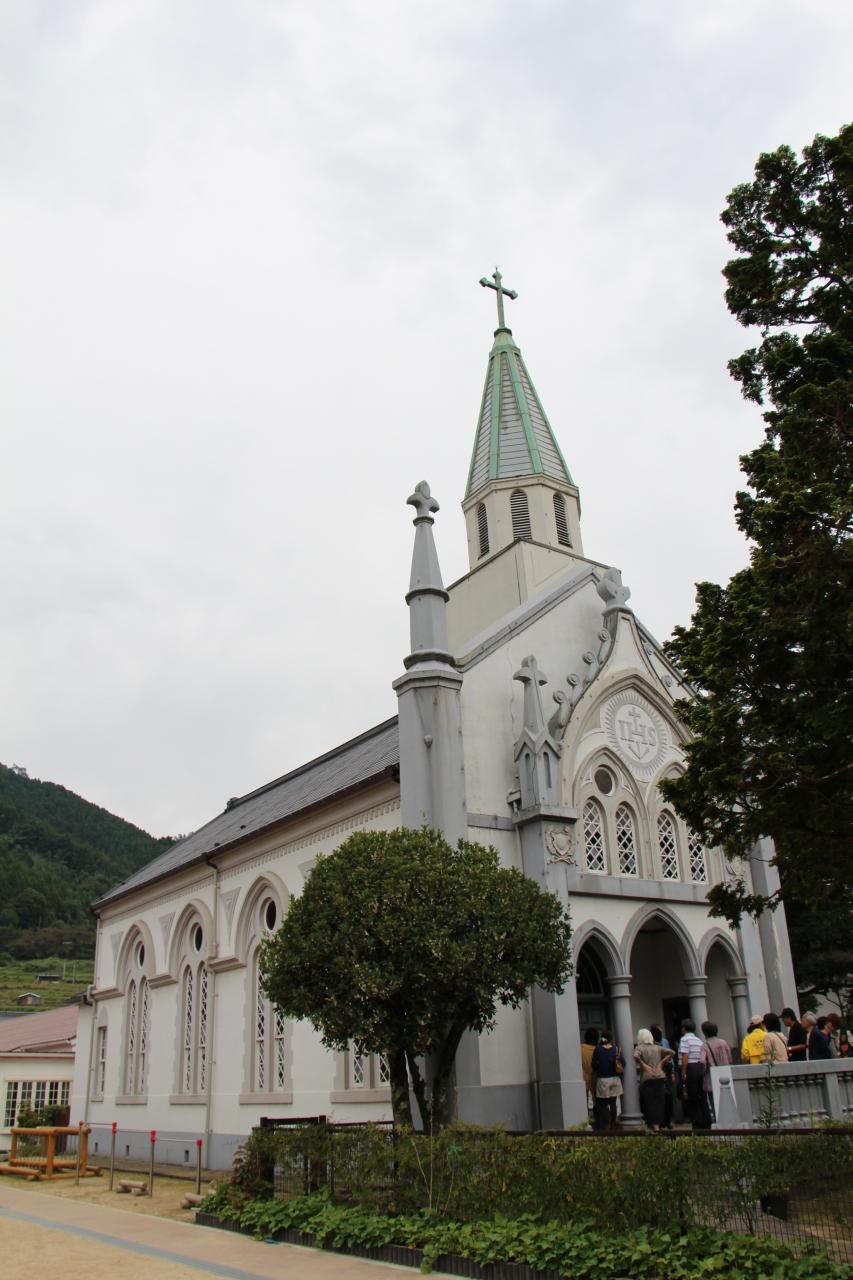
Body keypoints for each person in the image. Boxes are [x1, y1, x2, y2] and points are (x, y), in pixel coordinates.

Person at [634, 1028, 673, 1131]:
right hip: (660, 1077)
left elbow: (635, 1056)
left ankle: (653, 1126)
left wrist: (643, 1065)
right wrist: (661, 1063)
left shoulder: (639, 1048)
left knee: (649, 1102)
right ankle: (658, 1125)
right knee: (659, 1102)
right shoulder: (657, 1047)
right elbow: (672, 1052)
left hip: (647, 1078)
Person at [591, 1029, 625, 1132]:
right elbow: (623, 1063)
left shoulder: (598, 1049)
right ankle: (613, 1125)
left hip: (603, 1080)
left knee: (602, 1104)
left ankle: (606, 1124)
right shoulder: (616, 1049)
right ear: (611, 1039)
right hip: (615, 1079)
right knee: (613, 1103)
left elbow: (594, 1064)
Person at [678, 1018, 709, 1129]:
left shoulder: (684, 1039)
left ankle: (697, 1123)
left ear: (684, 1028)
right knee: (701, 1096)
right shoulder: (698, 1040)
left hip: (690, 1068)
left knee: (692, 1096)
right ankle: (706, 1121)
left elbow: (685, 1055)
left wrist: (683, 1072)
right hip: (699, 1068)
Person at [699, 1020, 732, 1121]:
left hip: (712, 1078)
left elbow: (702, 1061)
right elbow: (730, 1059)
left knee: (714, 1102)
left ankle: (718, 1120)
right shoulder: (723, 1042)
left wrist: (703, 1071)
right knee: (728, 1099)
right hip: (726, 1075)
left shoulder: (705, 1046)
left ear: (704, 1032)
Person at [651, 1024, 674, 1128]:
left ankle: (667, 1120)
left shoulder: (665, 1042)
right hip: (657, 1072)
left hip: (665, 1072)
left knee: (667, 1096)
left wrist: (672, 1072)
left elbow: (670, 1057)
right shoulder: (650, 1045)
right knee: (659, 1098)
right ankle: (660, 1121)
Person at [581, 1027, 599, 1118]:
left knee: (583, 1102)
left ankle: (585, 1119)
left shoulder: (580, 1049)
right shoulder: (598, 1050)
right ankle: (599, 1119)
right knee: (598, 1102)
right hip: (596, 1078)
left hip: (583, 1078)